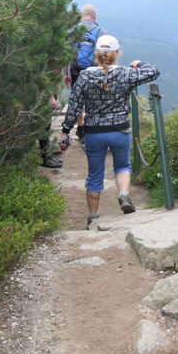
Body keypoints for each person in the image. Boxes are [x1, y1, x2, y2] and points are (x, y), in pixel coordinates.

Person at [60, 34, 159, 228]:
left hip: (93, 133)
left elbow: (74, 105)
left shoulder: (85, 76)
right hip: (119, 130)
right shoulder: (124, 73)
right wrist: (139, 63)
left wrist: (65, 131)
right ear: (116, 54)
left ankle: (93, 217)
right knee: (122, 166)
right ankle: (123, 196)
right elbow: (154, 72)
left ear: (96, 54)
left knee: (94, 175)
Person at [69, 4, 108, 140]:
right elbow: (105, 56)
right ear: (94, 16)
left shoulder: (73, 30)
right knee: (92, 99)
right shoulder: (101, 32)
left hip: (76, 70)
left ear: (81, 15)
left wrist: (65, 74)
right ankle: (90, 128)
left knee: (78, 99)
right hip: (94, 71)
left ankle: (80, 128)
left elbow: (66, 53)